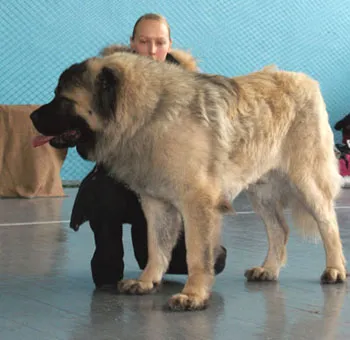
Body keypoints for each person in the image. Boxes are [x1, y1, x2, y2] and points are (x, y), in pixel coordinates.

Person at [71, 13, 227, 289]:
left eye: (159, 42)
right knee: (101, 193)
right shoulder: (105, 80)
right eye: (144, 42)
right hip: (121, 182)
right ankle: (108, 261)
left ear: (169, 44)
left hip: (167, 188)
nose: (152, 51)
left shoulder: (191, 85)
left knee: (208, 260)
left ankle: (158, 257)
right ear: (132, 43)